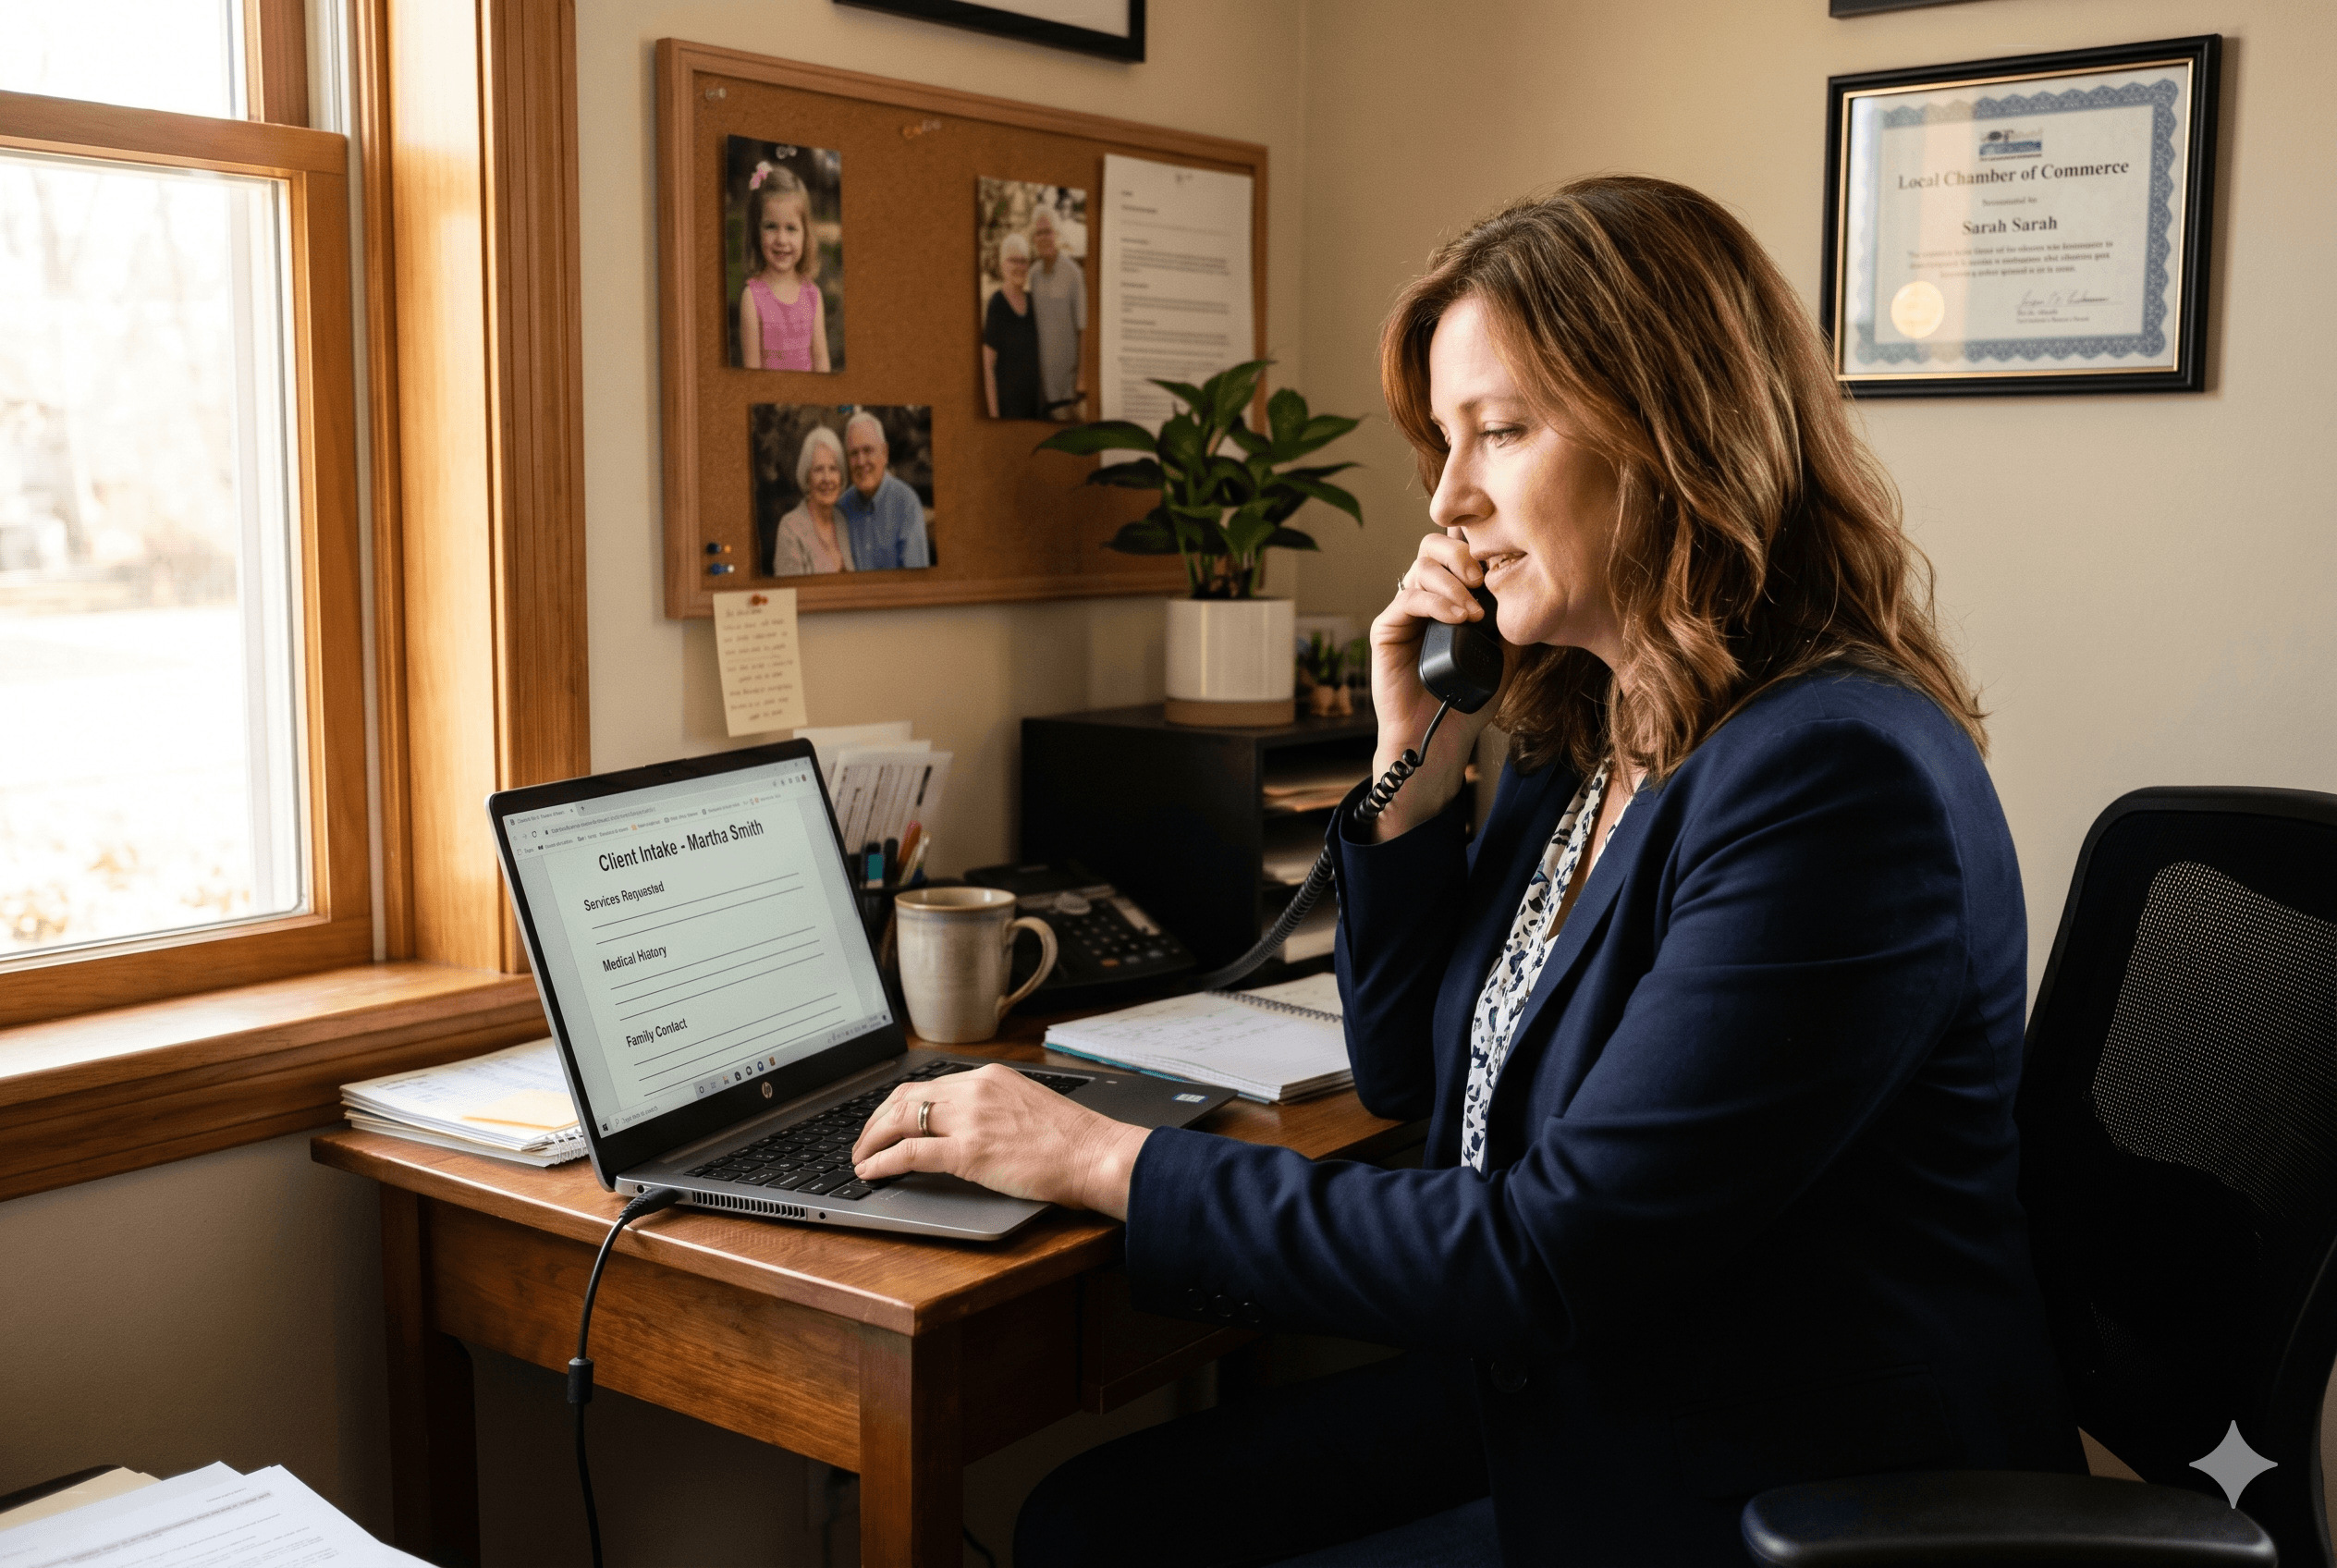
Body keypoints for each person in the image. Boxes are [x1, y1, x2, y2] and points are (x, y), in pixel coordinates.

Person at [851, 176, 2081, 1565]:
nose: (1447, 499)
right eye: (1445, 440)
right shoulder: (1588, 727)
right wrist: (1411, 776)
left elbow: (1547, 1253)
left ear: (1676, 431)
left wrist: (1103, 1158)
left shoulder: (1836, 781)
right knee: (1090, 1521)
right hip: (1589, 1381)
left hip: (1769, 1476)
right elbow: (1412, 1079)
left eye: (1500, 431)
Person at [737, 165, 830, 373]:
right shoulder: (752, 298)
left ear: (805, 234)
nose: (781, 240)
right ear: (756, 231)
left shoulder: (813, 295)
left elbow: (822, 362)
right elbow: (751, 376)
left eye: (791, 228)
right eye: (771, 226)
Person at [837, 411, 932, 570]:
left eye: (868, 450)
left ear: (885, 453)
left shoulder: (906, 504)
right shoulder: (841, 508)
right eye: (854, 453)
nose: (860, 461)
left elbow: (915, 584)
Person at [1027, 203, 1086, 420]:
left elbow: (1083, 329)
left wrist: (1081, 379)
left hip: (1067, 389)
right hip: (1041, 387)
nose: (1043, 237)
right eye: (1038, 233)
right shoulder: (1032, 275)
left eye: (1047, 231)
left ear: (1057, 233)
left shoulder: (1074, 274)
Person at [769, 425, 852, 576]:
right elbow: (792, 596)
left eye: (833, 469)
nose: (827, 479)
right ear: (807, 478)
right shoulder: (790, 528)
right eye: (819, 469)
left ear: (841, 477)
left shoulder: (843, 522)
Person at [983, 231, 1044, 419]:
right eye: (1013, 260)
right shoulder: (997, 304)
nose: (1019, 266)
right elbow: (987, 366)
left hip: (1036, 409)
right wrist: (994, 417)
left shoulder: (1034, 303)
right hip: (1009, 411)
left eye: (1023, 261)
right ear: (1002, 266)